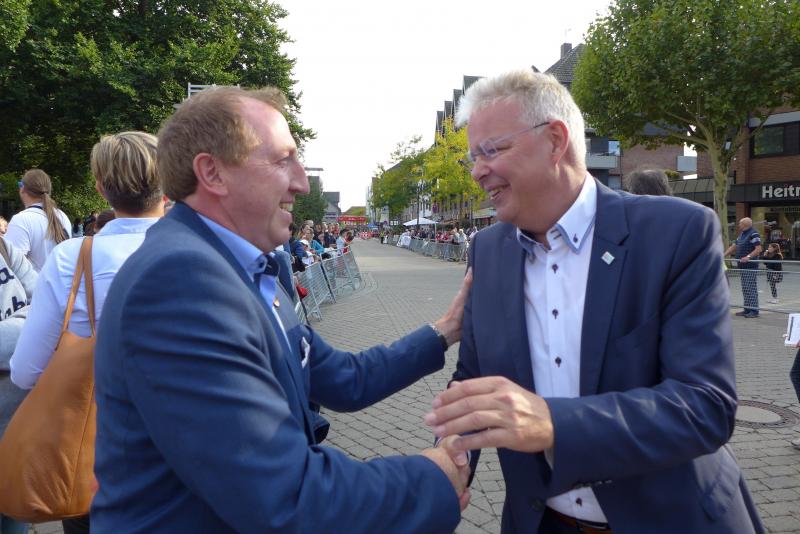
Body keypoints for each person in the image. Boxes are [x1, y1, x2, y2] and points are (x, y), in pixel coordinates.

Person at [90, 85, 472, 533]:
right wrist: (432, 478)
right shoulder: (180, 281)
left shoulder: (244, 271)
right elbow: (285, 495)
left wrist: (447, 328)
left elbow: (346, 379)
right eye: (282, 159)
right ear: (212, 173)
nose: (301, 182)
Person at [424, 69, 763, 534]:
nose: (477, 170)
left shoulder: (677, 233)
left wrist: (554, 424)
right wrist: (450, 452)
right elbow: (474, 377)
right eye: (473, 157)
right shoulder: (487, 250)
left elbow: (705, 407)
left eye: (492, 150)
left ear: (555, 141)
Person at [10, 131, 164, 534]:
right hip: (185, 458)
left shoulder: (73, 259)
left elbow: (26, 371)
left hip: (95, 460)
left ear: (101, 187)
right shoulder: (206, 253)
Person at [0, 238, 37, 534]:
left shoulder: (4, 247)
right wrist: (24, 326)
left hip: (18, 426)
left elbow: (46, 310)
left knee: (15, 519)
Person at [5, 169, 71, 271]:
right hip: (63, 280)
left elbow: (11, 266)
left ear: (22, 189)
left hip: (34, 281)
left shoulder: (21, 220)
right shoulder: (62, 216)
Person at [724, 218, 763, 318]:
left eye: (740, 224)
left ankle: (754, 311)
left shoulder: (754, 234)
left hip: (750, 266)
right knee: (745, 288)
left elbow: (758, 249)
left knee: (750, 288)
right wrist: (723, 255)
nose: (738, 225)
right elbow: (734, 246)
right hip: (742, 266)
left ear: (745, 224)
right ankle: (747, 309)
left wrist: (748, 257)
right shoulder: (742, 234)